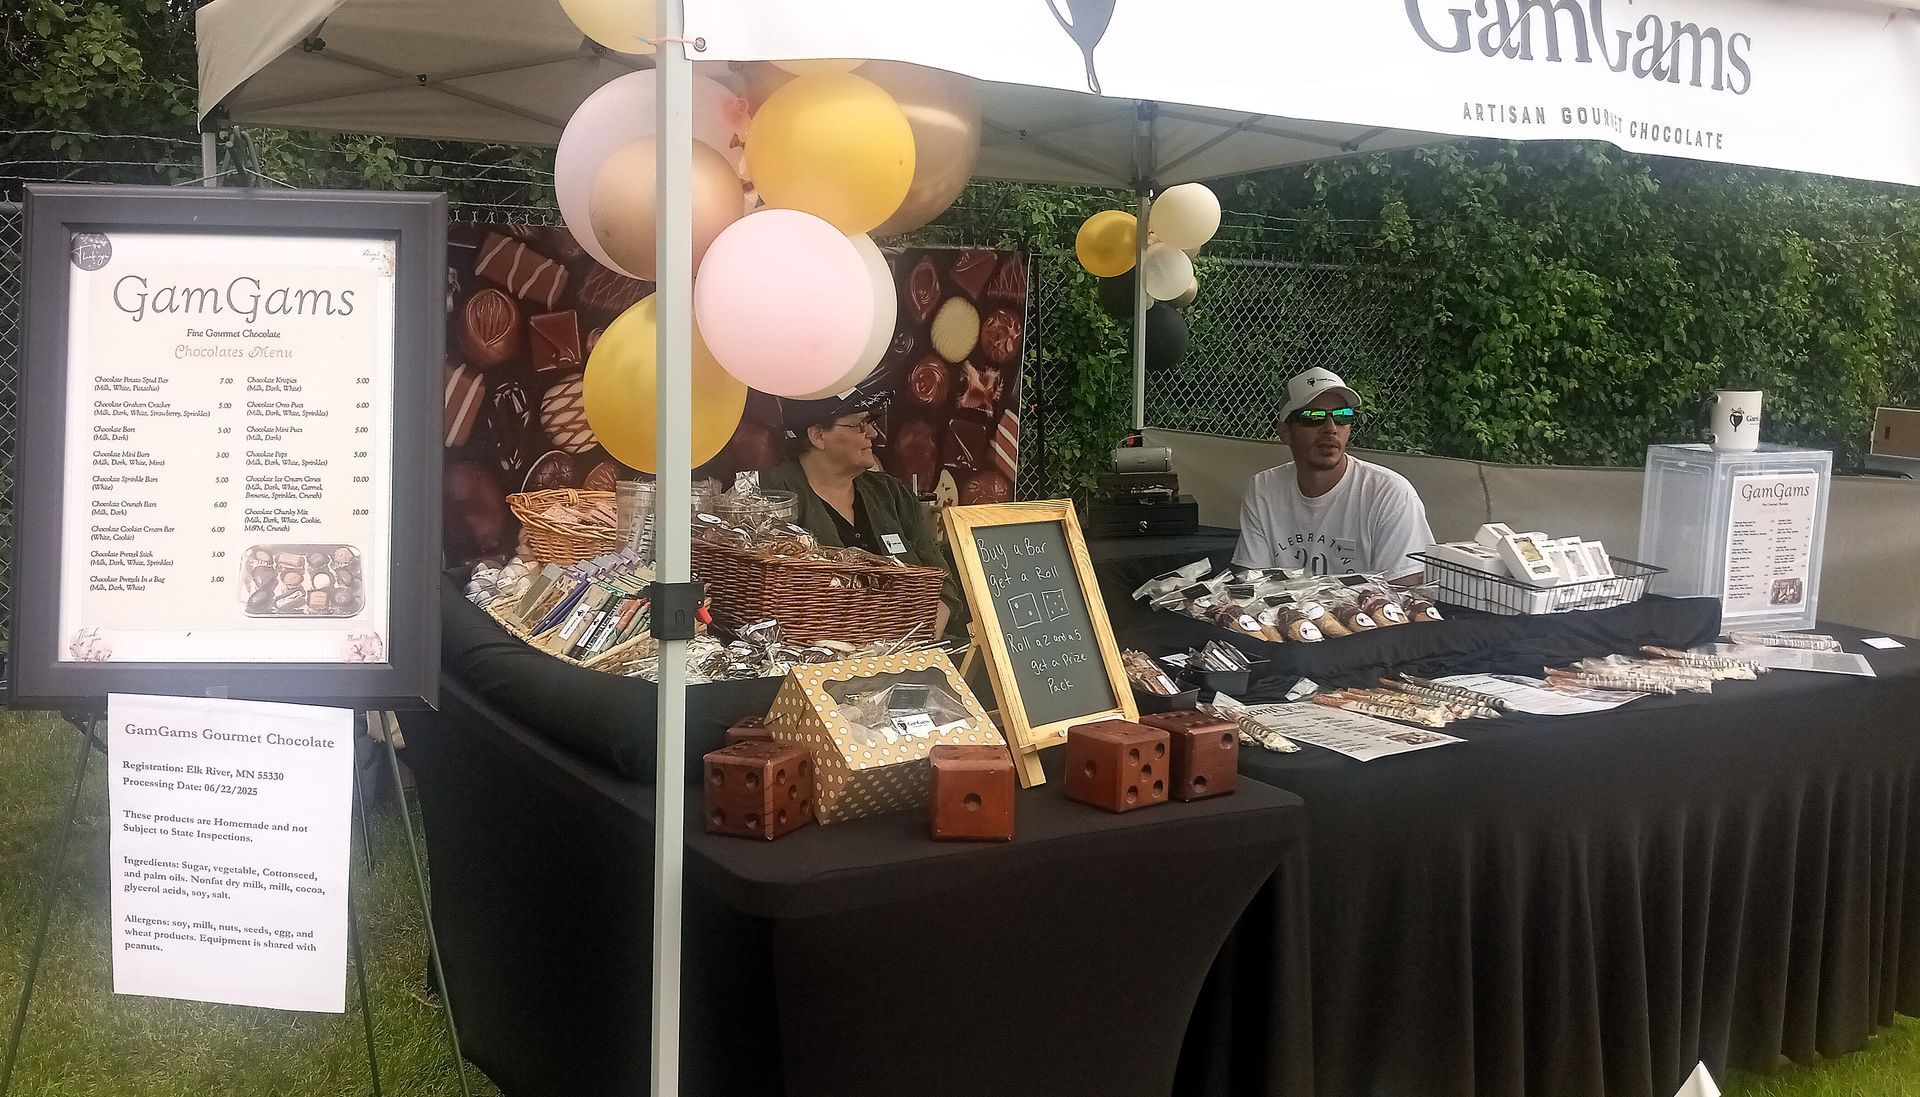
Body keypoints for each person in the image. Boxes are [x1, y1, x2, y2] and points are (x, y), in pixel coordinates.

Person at [758, 386, 966, 638]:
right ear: (818, 435)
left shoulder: (890, 493)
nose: (873, 433)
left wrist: (920, 639)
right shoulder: (774, 494)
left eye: (870, 422)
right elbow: (771, 592)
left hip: (910, 649)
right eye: (859, 424)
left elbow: (940, 581)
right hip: (822, 655)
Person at [1233, 367, 1434, 583]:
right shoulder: (1263, 487)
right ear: (1285, 432)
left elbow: (1405, 590)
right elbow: (1251, 583)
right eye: (1314, 417)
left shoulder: (1390, 493)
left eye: (1342, 416)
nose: (1330, 428)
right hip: (1283, 615)